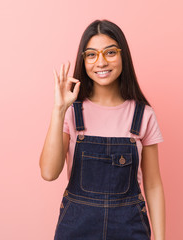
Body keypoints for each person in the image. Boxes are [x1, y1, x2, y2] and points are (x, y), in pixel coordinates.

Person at [39, 19, 166, 240]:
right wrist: (59, 109)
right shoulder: (71, 111)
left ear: (122, 55)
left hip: (130, 229)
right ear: (84, 60)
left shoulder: (143, 115)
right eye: (91, 54)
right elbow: (49, 173)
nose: (101, 62)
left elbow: (153, 184)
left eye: (109, 53)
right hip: (76, 228)